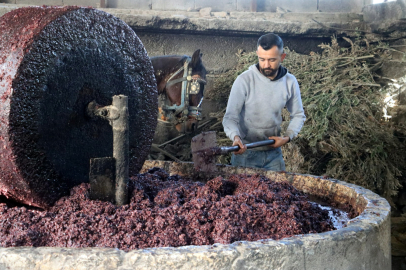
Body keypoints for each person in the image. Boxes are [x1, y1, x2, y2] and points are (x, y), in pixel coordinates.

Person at [222, 33, 306, 171]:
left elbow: (298, 115)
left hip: (274, 155)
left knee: (279, 191)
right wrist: (235, 137)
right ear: (257, 54)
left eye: (272, 60)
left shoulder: (290, 82)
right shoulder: (244, 80)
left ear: (282, 57)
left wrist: (287, 137)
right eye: (262, 59)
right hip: (245, 153)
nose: (266, 65)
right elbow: (230, 118)